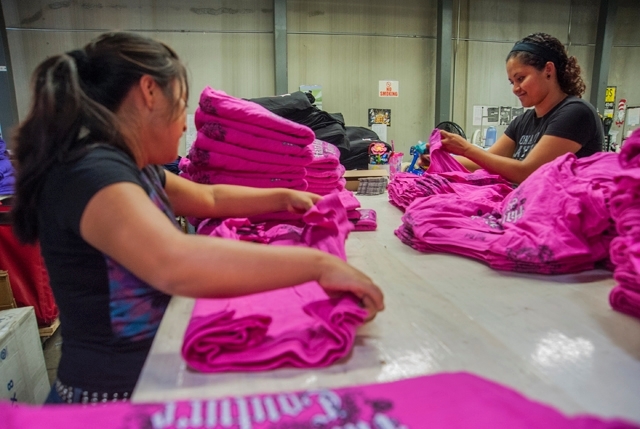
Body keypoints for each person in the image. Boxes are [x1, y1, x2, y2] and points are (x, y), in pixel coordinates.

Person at [11, 32, 384, 404]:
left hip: (140, 382)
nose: (186, 125)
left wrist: (284, 196)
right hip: (106, 401)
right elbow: (174, 262)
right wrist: (317, 264)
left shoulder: (131, 167)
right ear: (149, 92)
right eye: (183, 105)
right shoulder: (92, 172)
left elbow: (207, 196)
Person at [421, 32, 603, 184]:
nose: (515, 89)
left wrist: (466, 148)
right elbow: (483, 162)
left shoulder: (576, 113)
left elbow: (528, 172)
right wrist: (437, 161)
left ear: (548, 69)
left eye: (521, 78)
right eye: (512, 82)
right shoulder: (523, 122)